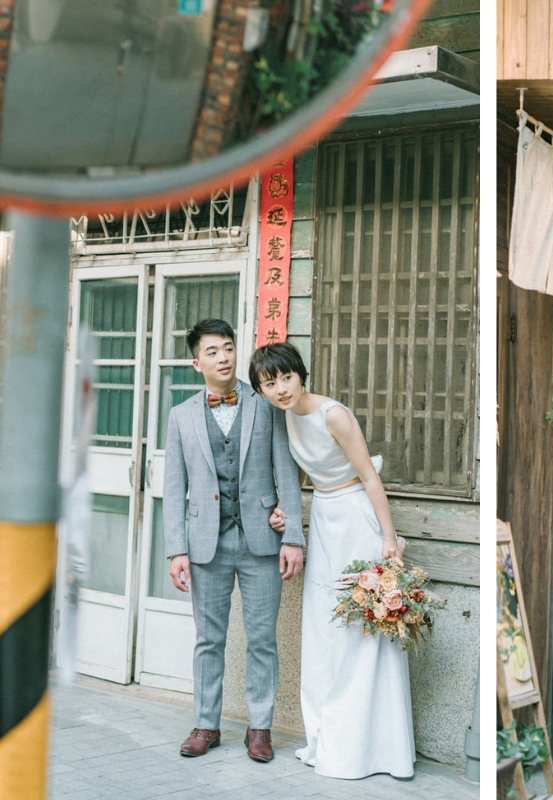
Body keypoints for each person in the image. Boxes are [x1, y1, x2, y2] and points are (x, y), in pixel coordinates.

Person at [251, 341, 416, 780]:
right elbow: (307, 473)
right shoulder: (284, 417)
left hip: (357, 518)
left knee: (362, 626)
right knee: (326, 628)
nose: (282, 388)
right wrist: (288, 509)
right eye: (270, 383)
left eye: (287, 377)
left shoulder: (333, 414)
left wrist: (388, 540)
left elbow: (368, 476)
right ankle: (331, 736)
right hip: (324, 519)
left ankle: (373, 747)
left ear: (301, 374)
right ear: (262, 390)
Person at [162, 319, 304, 763]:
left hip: (264, 540)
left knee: (262, 638)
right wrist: (176, 550)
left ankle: (259, 730)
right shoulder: (181, 415)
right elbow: (173, 488)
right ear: (196, 362)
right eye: (212, 351)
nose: (223, 357)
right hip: (206, 544)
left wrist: (294, 535)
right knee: (209, 638)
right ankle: (206, 724)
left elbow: (286, 472)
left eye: (228, 348)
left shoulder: (265, 404)